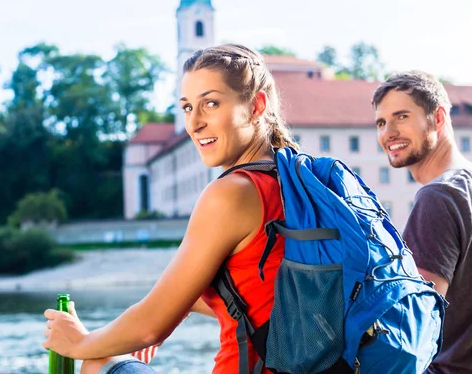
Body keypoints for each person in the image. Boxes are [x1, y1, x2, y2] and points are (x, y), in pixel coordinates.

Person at [42, 43, 298, 374]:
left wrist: (77, 344)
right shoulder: (299, 182)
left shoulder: (232, 192)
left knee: (100, 362)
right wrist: (176, 308)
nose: (195, 123)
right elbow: (272, 299)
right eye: (187, 108)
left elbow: (149, 327)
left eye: (211, 104)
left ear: (255, 106)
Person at [372, 70, 472, 374]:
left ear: (439, 117)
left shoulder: (439, 196)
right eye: (381, 123)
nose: (388, 132)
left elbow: (413, 324)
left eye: (402, 116)